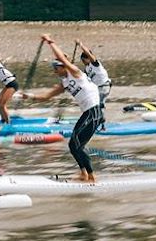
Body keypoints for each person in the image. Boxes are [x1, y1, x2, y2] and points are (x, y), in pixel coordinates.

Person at [19, 35, 103, 182]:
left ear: (63, 67)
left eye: (55, 68)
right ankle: (83, 174)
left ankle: (92, 177)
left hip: (93, 111)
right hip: (87, 113)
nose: (54, 71)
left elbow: (62, 58)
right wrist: (29, 96)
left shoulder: (75, 72)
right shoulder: (65, 83)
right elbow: (46, 97)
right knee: (73, 145)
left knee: (76, 143)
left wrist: (50, 42)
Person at [76, 39, 112, 112]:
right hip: (97, 88)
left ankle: (99, 119)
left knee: (98, 104)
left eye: (84, 60)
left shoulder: (95, 64)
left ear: (88, 58)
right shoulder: (86, 69)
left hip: (104, 86)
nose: (83, 62)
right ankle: (98, 117)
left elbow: (88, 53)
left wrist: (80, 44)